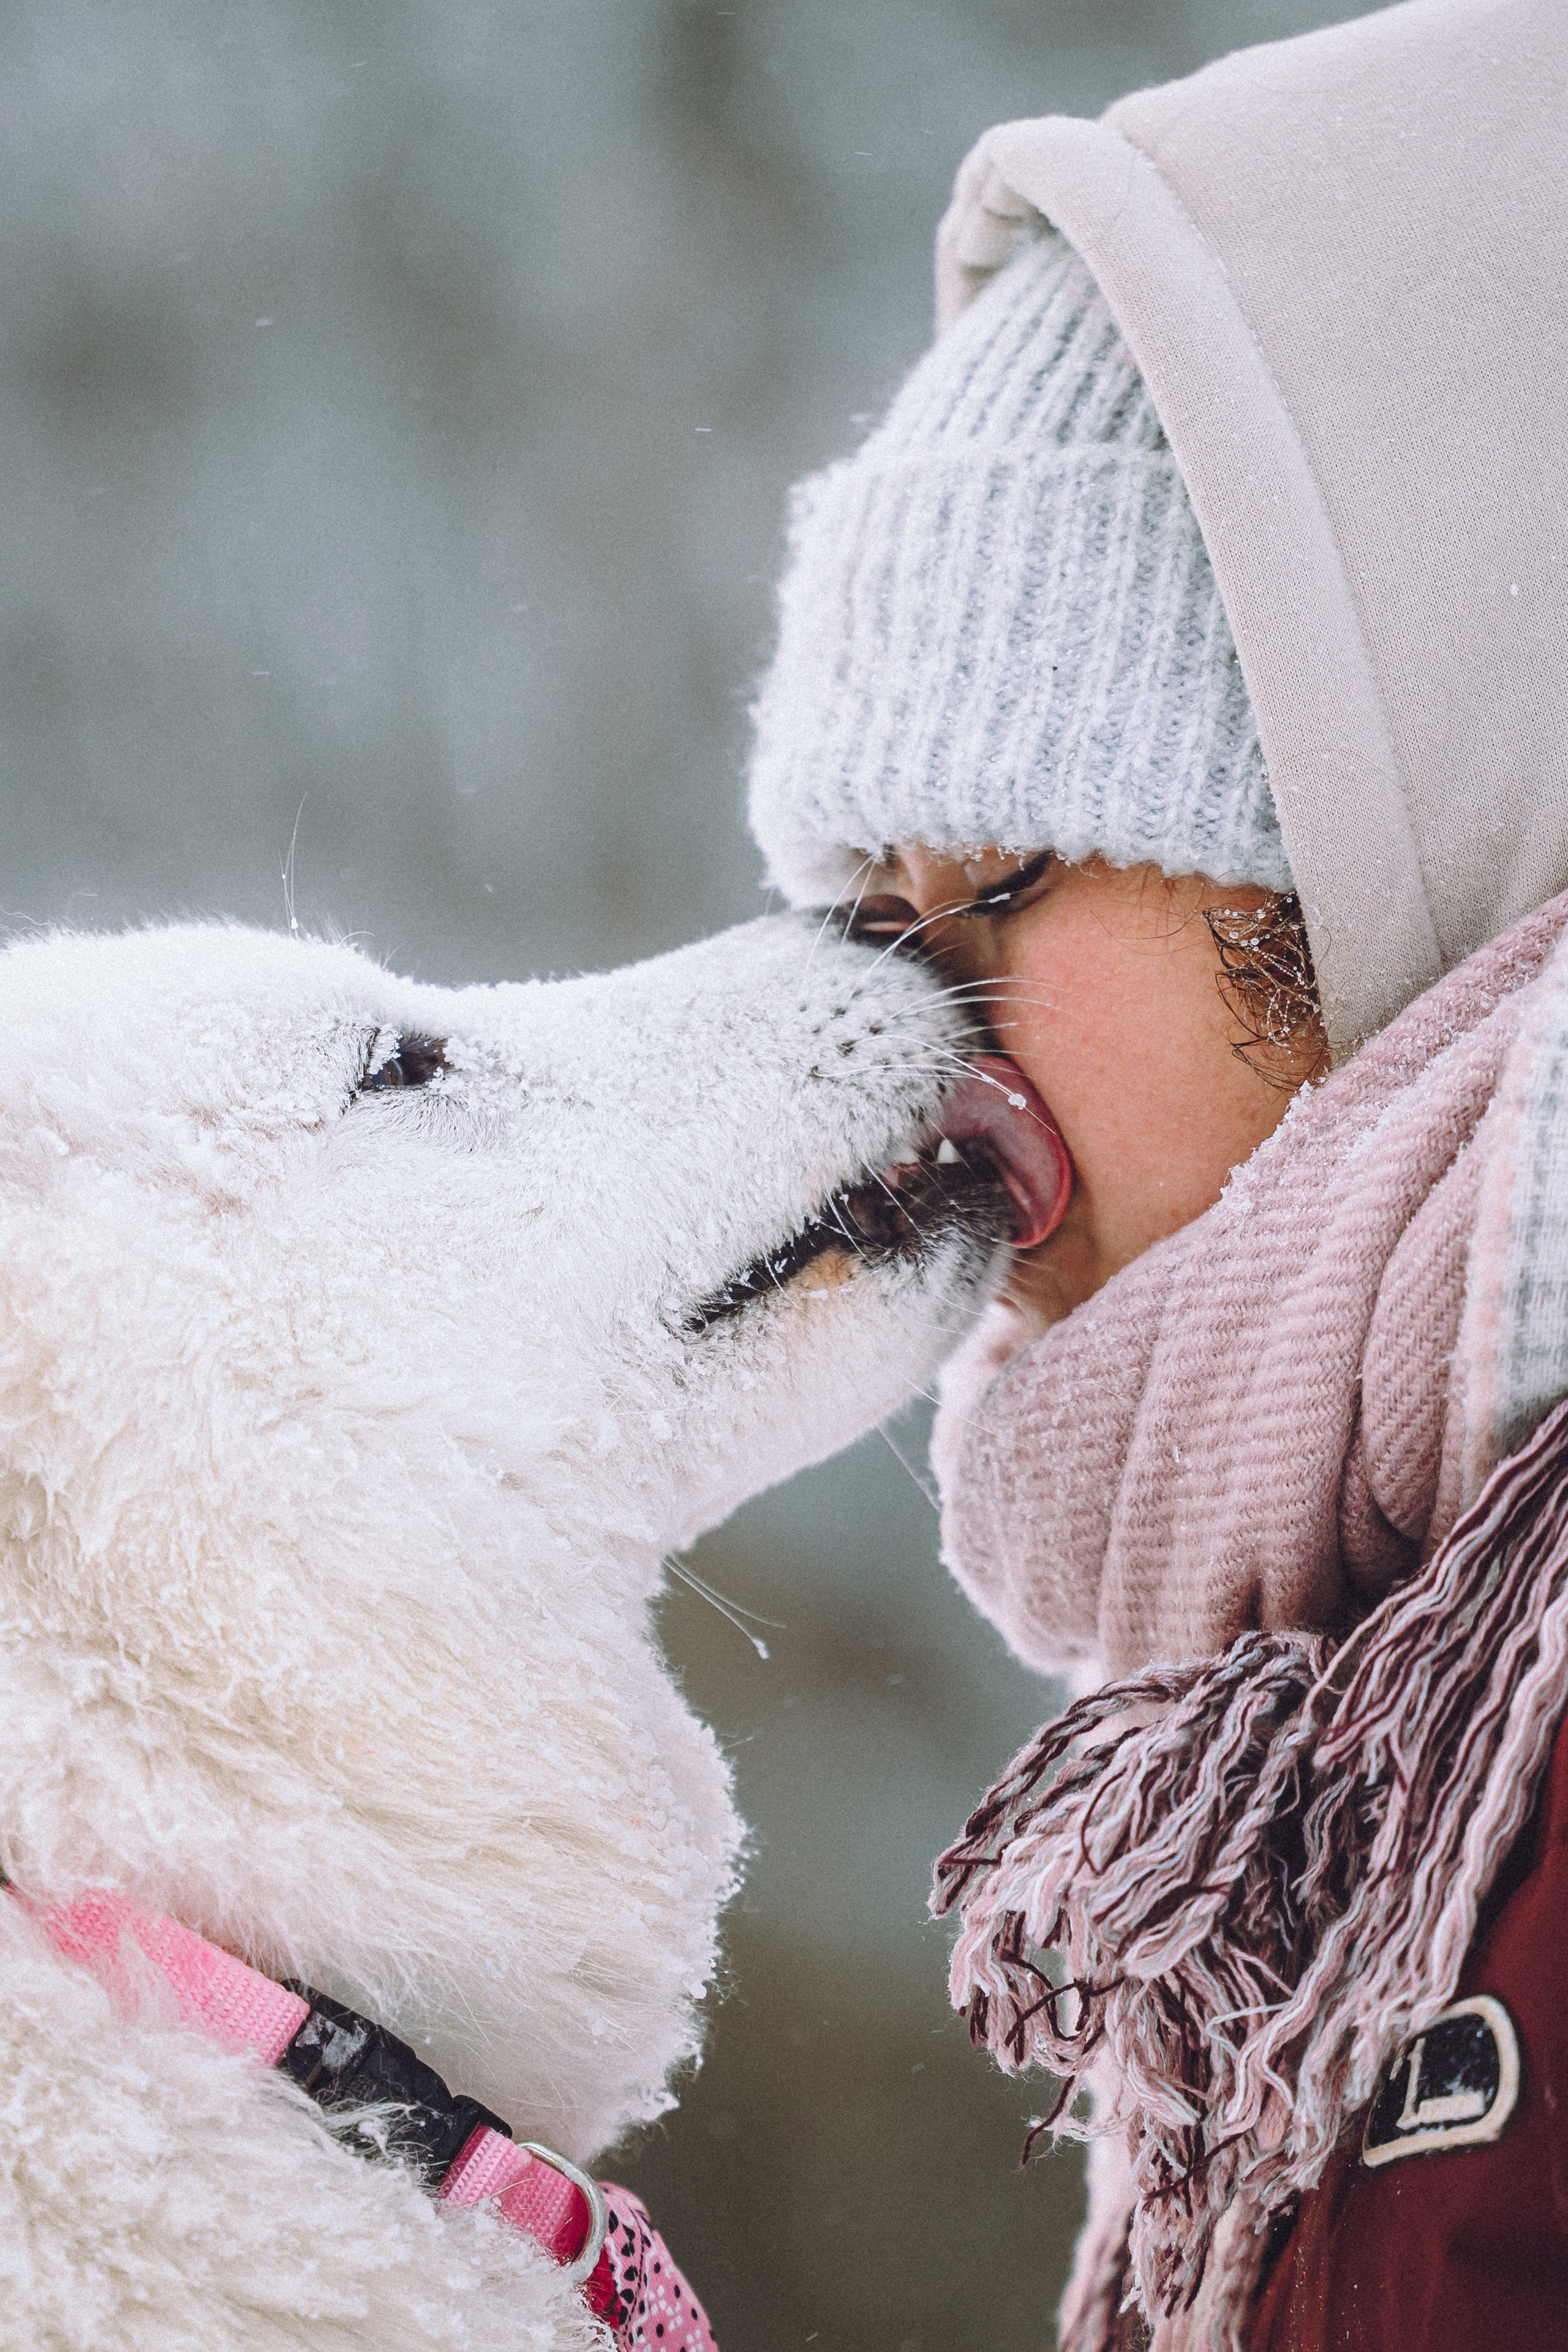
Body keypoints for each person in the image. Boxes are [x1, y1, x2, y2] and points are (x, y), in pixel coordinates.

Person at [745, 1, 1568, 2346]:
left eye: (1002, 875)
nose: (918, 1032)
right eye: (866, 909)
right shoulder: (1368, 1727)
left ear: (1396, 785)